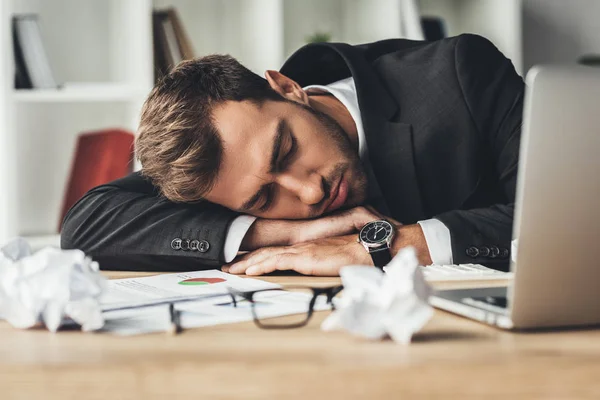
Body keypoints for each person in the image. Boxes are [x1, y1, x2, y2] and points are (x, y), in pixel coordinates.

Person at [61, 34, 524, 276]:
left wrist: (392, 245)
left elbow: (572, 219)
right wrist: (275, 230)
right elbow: (88, 224)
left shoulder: (462, 75)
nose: (310, 191)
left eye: (285, 151)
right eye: (263, 198)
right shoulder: (222, 175)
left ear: (287, 88)